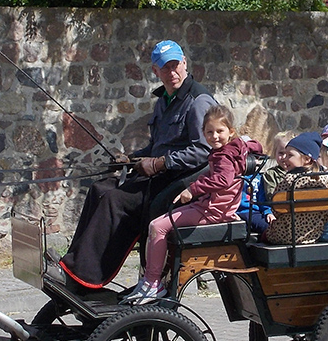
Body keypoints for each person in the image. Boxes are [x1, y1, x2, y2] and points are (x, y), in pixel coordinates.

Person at [56, 40, 218, 290]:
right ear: (156, 71)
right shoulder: (163, 101)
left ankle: (85, 276)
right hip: (161, 174)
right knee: (100, 189)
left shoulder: (198, 101)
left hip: (180, 181)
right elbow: (157, 147)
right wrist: (131, 159)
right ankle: (73, 263)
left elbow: (203, 151)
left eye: (176, 65)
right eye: (165, 68)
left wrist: (160, 163)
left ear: (184, 63)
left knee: (115, 200)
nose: (172, 72)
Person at [124, 105, 262, 304]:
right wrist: (249, 142)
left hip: (214, 210)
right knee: (164, 220)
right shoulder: (236, 146)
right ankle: (150, 280)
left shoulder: (224, 156)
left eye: (219, 131)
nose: (214, 136)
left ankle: (153, 283)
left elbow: (223, 179)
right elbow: (255, 147)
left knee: (157, 226)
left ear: (230, 131)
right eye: (209, 132)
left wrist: (193, 189)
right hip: (216, 206)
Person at [262, 132, 328, 245]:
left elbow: (276, 208)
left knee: (263, 234)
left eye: (290, 155)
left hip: (283, 235)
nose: (285, 158)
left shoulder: (290, 180)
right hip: (312, 235)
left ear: (307, 159)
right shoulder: (323, 180)